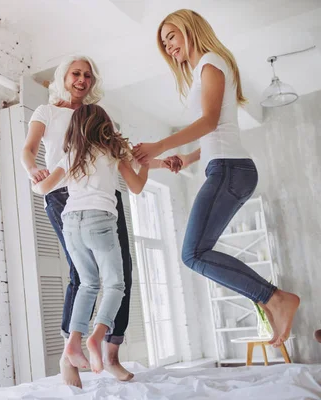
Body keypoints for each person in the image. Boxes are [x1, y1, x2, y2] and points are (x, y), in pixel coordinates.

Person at [133, 9, 299, 348]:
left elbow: (209, 122)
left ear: (189, 30)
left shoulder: (210, 62)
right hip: (224, 167)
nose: (168, 47)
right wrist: (189, 157)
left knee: (192, 253)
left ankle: (274, 298)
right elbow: (219, 129)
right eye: (164, 43)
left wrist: (159, 144)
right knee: (197, 252)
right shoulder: (204, 69)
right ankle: (272, 298)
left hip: (229, 169)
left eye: (172, 37)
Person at [20, 55, 134, 387]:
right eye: (76, 73)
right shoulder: (47, 111)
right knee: (80, 273)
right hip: (62, 192)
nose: (82, 79)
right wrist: (33, 170)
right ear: (63, 76)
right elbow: (28, 150)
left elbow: (120, 154)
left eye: (88, 76)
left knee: (121, 270)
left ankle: (111, 352)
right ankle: (69, 351)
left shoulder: (97, 117)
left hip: (104, 196)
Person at [32, 104, 149, 373]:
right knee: (116, 285)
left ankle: (73, 343)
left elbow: (42, 189)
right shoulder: (112, 151)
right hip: (100, 220)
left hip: (70, 221)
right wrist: (145, 169)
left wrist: (34, 176)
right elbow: (136, 186)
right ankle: (97, 337)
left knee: (87, 284)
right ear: (105, 126)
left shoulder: (71, 154)